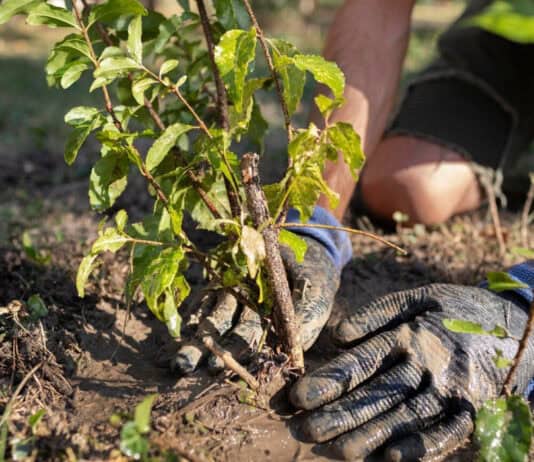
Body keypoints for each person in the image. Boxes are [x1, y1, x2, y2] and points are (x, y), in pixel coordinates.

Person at [174, 1, 534, 460]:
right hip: (517, 35)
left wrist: (526, 299)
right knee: (408, 189)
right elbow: (377, 10)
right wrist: (314, 219)